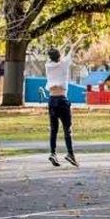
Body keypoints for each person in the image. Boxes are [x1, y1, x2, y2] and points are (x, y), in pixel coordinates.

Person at [45, 37, 85, 167]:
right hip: (62, 99)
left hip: (51, 99)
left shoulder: (48, 66)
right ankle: (70, 154)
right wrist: (80, 38)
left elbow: (56, 54)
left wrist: (64, 43)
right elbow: (73, 49)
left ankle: (53, 153)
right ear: (59, 56)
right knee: (67, 129)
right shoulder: (64, 63)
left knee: (53, 129)